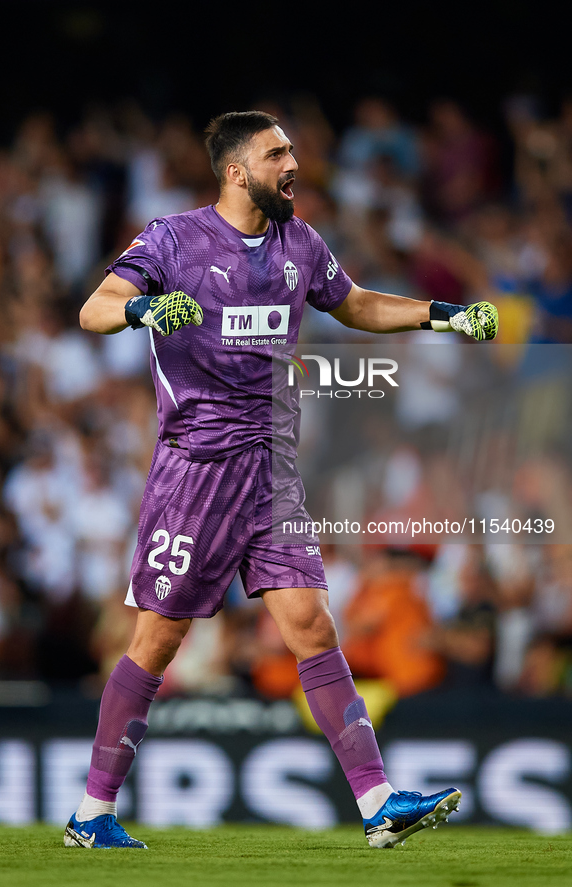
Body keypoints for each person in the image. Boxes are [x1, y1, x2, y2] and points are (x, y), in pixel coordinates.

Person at [65, 110, 497, 851]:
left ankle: (377, 801)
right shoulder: (172, 239)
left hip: (271, 472)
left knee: (311, 624)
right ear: (237, 171)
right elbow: (92, 308)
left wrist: (444, 315)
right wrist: (140, 307)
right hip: (194, 472)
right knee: (157, 641)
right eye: (276, 153)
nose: (292, 162)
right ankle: (90, 812)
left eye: (291, 149)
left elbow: (354, 303)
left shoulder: (301, 242)